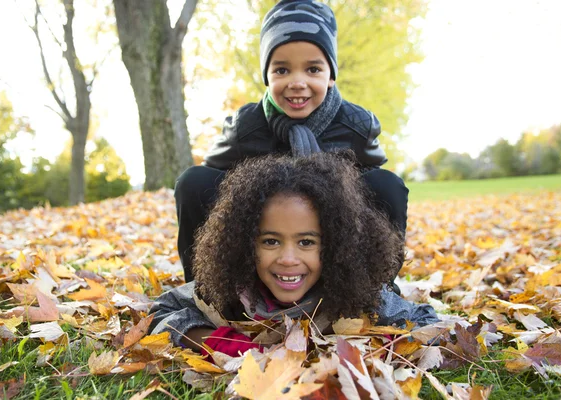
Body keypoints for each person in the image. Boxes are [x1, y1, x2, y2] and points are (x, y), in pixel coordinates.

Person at [175, 0, 409, 282]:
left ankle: (378, 285)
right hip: (266, 239)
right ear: (266, 76)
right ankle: (203, 284)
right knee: (193, 181)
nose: (297, 82)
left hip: (329, 235)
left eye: (313, 70)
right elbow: (210, 181)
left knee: (388, 186)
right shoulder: (246, 126)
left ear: (331, 76)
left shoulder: (356, 125)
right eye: (282, 70)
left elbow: (375, 184)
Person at [150, 153, 437, 358]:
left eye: (307, 242)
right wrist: (219, 341)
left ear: (338, 246)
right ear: (245, 244)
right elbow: (161, 311)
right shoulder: (232, 290)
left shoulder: (354, 295)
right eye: (271, 241)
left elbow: (427, 322)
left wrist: (371, 346)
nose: (288, 259)